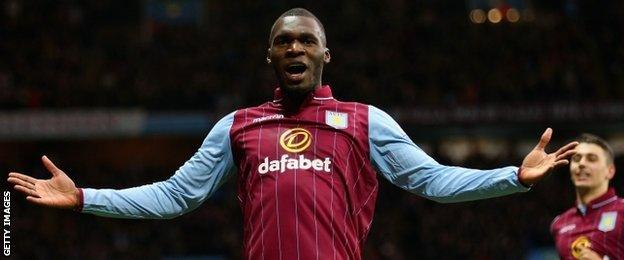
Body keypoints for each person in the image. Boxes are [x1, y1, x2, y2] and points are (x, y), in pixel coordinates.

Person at [8, 8, 578, 259]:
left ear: (327, 54)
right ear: (269, 56)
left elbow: (430, 180)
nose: (295, 48)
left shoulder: (365, 120)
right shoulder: (238, 127)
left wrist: (513, 177)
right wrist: (84, 198)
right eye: (284, 41)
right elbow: (174, 195)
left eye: (306, 40)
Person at [551, 134, 623, 260]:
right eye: (577, 158)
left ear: (610, 171)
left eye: (592, 159)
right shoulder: (559, 223)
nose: (582, 163)